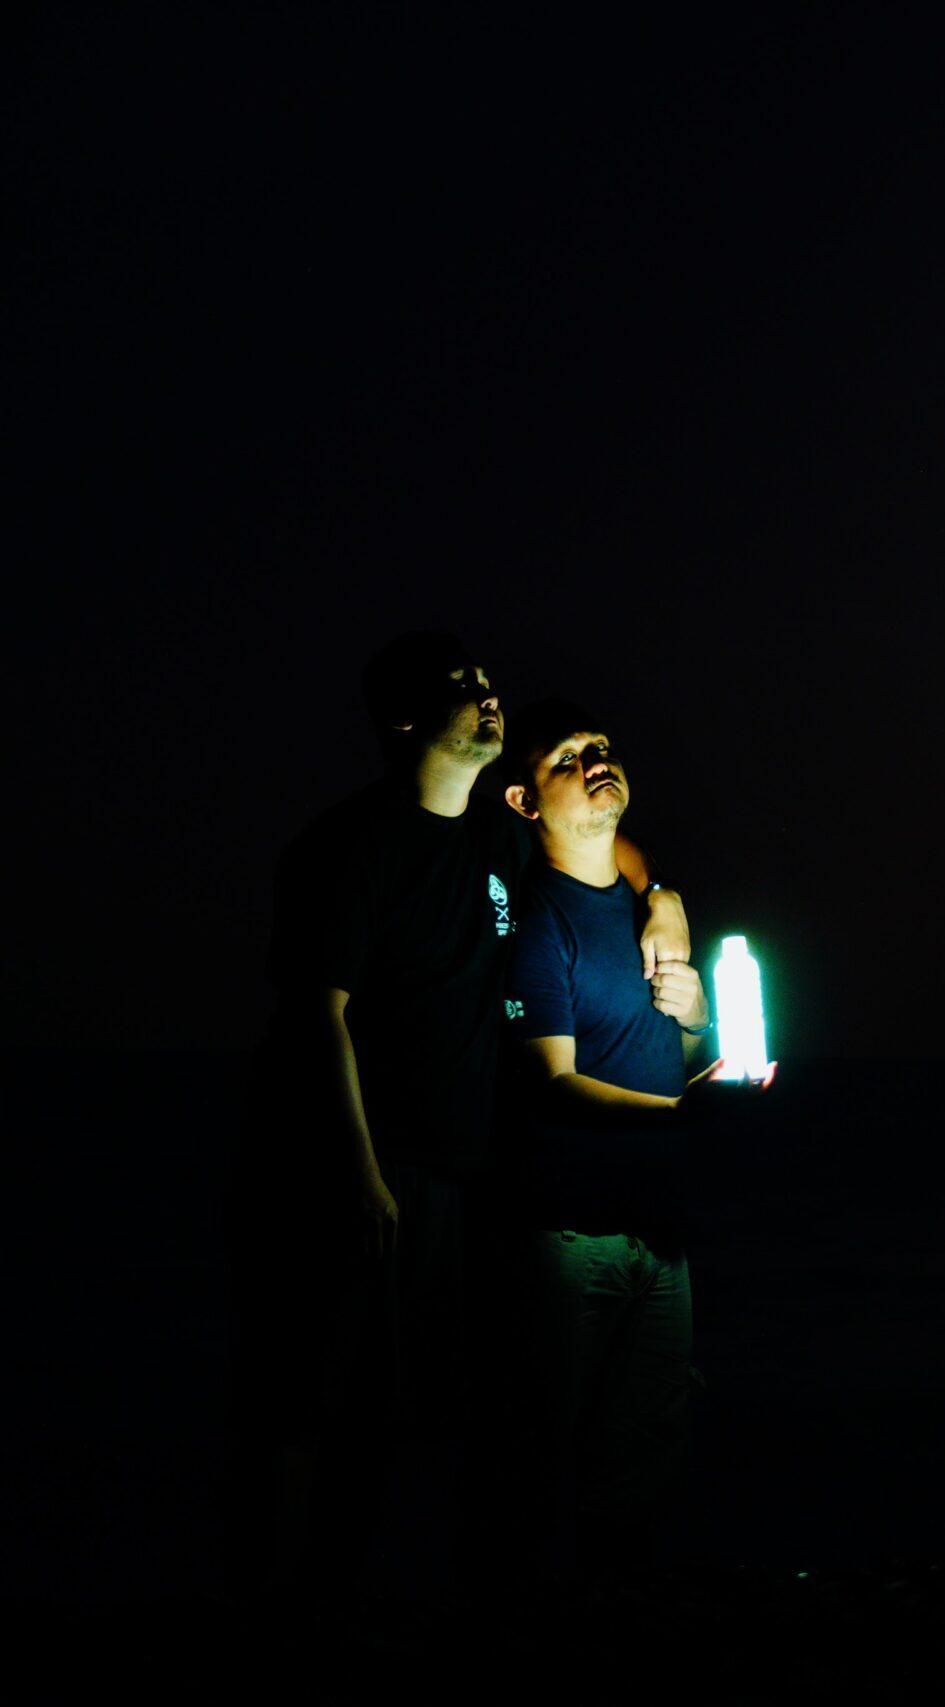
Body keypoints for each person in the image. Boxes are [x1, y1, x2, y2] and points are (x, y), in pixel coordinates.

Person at [223, 633, 689, 1614]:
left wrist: (664, 905)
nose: (488, 696)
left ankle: (368, 1597)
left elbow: (606, 844)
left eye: (488, 683)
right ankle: (269, 1605)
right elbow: (321, 1013)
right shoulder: (355, 843)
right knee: (310, 1396)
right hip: (355, 1161)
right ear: (403, 721)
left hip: (456, 1167)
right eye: (461, 688)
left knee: (406, 1409)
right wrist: (359, 1171)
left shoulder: (493, 839)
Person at [498, 697, 766, 1600]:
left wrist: (701, 1032)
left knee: (648, 1446)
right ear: (525, 802)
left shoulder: (647, 908)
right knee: (541, 1446)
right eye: (567, 757)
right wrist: (676, 1116)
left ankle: (621, 1620)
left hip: (662, 1229)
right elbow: (551, 1079)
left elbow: (679, 1053)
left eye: (602, 747)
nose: (594, 759)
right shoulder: (536, 922)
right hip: (571, 1233)